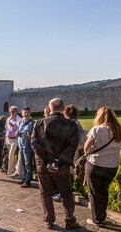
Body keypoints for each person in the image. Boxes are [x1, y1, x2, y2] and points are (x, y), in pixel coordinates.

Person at [31, 98, 80, 230]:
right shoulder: (71, 125)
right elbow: (72, 145)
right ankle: (69, 219)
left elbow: (35, 144)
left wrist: (48, 160)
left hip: (43, 164)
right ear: (63, 109)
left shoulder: (39, 123)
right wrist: (59, 161)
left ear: (49, 108)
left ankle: (49, 219)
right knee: (66, 193)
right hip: (62, 165)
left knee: (45, 192)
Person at [84, 106, 121, 227]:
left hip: (96, 164)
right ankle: (102, 216)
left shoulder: (97, 130)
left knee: (94, 193)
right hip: (112, 166)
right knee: (104, 191)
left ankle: (97, 219)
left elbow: (86, 148)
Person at [53, 104, 85, 202]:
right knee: (68, 173)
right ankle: (65, 193)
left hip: (68, 152)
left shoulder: (70, 124)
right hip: (72, 151)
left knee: (66, 173)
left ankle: (64, 194)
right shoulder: (77, 124)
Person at [17, 106, 35, 188]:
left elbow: (34, 136)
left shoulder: (32, 123)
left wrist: (30, 137)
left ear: (30, 113)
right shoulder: (20, 123)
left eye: (27, 112)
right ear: (22, 113)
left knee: (28, 164)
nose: (26, 114)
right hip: (21, 146)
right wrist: (18, 133)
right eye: (24, 113)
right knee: (23, 164)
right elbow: (20, 133)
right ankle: (24, 178)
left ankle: (28, 181)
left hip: (28, 147)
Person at [5, 106, 21, 175]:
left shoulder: (19, 119)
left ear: (16, 112)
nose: (12, 112)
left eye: (13, 111)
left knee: (11, 155)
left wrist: (13, 126)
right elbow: (6, 129)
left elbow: (19, 129)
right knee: (10, 155)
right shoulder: (8, 119)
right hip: (8, 139)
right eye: (10, 111)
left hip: (15, 139)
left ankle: (9, 171)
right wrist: (5, 138)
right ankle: (14, 169)